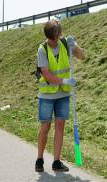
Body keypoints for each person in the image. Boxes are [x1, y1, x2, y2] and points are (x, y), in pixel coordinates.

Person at [35, 20, 85, 172]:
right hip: (47, 95)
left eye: (57, 37)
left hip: (63, 93)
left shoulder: (64, 43)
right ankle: (39, 159)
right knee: (45, 126)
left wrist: (74, 45)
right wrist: (65, 80)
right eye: (52, 38)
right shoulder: (42, 49)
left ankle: (56, 162)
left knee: (60, 127)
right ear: (48, 36)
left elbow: (82, 56)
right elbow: (47, 75)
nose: (54, 40)